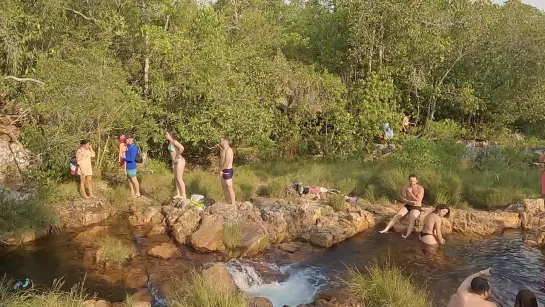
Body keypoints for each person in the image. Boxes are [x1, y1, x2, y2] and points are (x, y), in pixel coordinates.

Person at [166, 131, 186, 199]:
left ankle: (183, 194)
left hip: (179, 160)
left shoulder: (174, 141)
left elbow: (182, 148)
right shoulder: (170, 143)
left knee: (179, 178)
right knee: (176, 178)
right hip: (174, 162)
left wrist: (177, 155)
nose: (165, 135)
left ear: (170, 135)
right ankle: (178, 193)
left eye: (167, 134)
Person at [219, 136, 235, 204]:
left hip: (227, 170)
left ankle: (233, 203)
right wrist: (220, 168)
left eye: (221, 141)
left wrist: (221, 170)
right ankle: (228, 202)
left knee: (229, 187)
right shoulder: (221, 150)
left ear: (225, 141)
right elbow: (221, 160)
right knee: (224, 187)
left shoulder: (229, 150)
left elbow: (227, 161)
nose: (220, 142)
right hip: (222, 169)